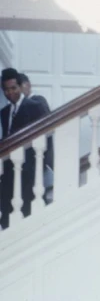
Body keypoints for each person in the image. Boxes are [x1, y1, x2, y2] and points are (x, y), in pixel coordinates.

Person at [0, 68, 52, 228]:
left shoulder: (35, 106)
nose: (10, 93)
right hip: (9, 170)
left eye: (13, 88)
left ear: (21, 86)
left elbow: (47, 137)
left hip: (30, 170)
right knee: (8, 212)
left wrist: (41, 165)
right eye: (6, 90)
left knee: (29, 212)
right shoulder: (4, 112)